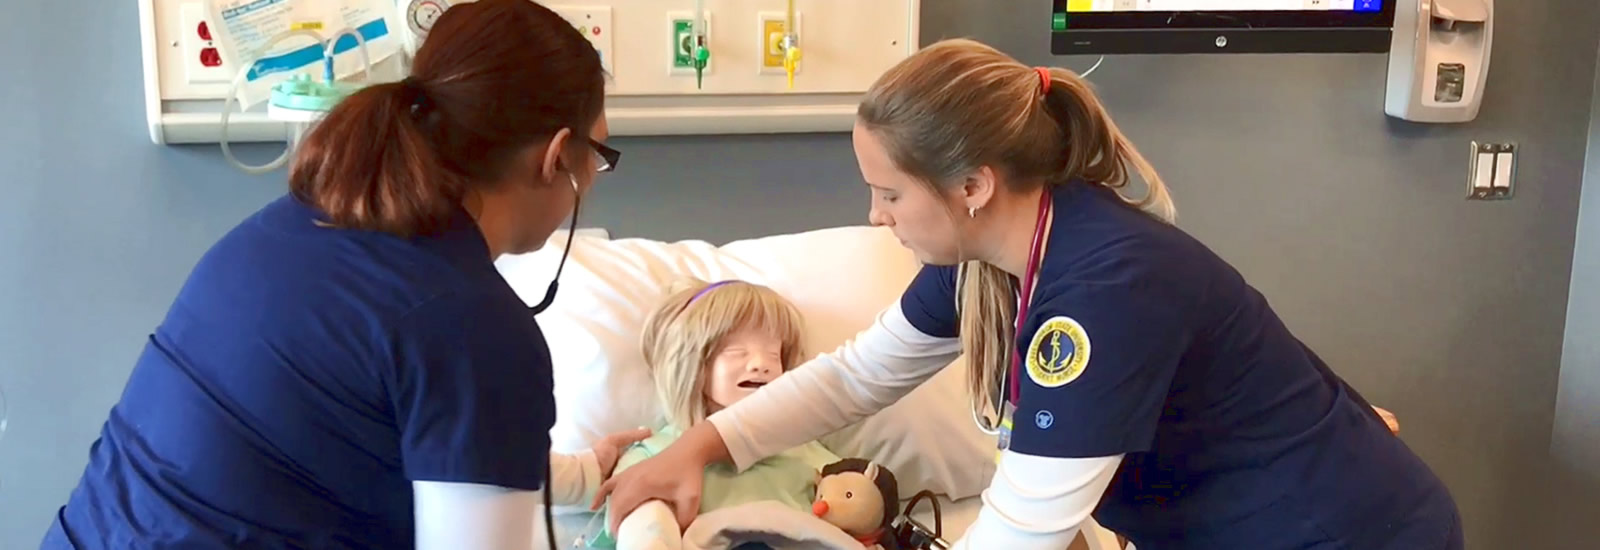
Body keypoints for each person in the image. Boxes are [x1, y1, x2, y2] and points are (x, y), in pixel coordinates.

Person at [595, 38, 1463, 549]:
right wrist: (700, 447)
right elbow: (855, 378)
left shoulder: (1106, 289)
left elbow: (1025, 531)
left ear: (970, 185)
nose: (875, 214)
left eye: (890, 193)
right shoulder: (988, 265)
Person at [40, 1, 641, 548]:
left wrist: (580, 472)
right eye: (599, 156)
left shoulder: (283, 231)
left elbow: (347, 446)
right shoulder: (473, 328)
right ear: (556, 156)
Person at [599, 279, 842, 550]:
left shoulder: (802, 449)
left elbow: (856, 497)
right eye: (736, 352)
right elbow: (630, 525)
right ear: (691, 364)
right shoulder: (653, 455)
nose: (761, 364)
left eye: (774, 354)